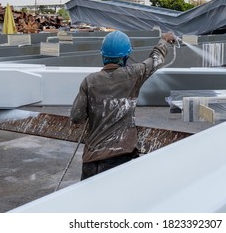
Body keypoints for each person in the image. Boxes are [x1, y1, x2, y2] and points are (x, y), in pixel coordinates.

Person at [70, 30, 176, 180]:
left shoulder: (89, 81)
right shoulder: (134, 74)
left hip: (91, 160)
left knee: (89, 202)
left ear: (103, 55)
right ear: (126, 56)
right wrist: (164, 41)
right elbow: (155, 59)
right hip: (120, 157)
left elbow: (76, 117)